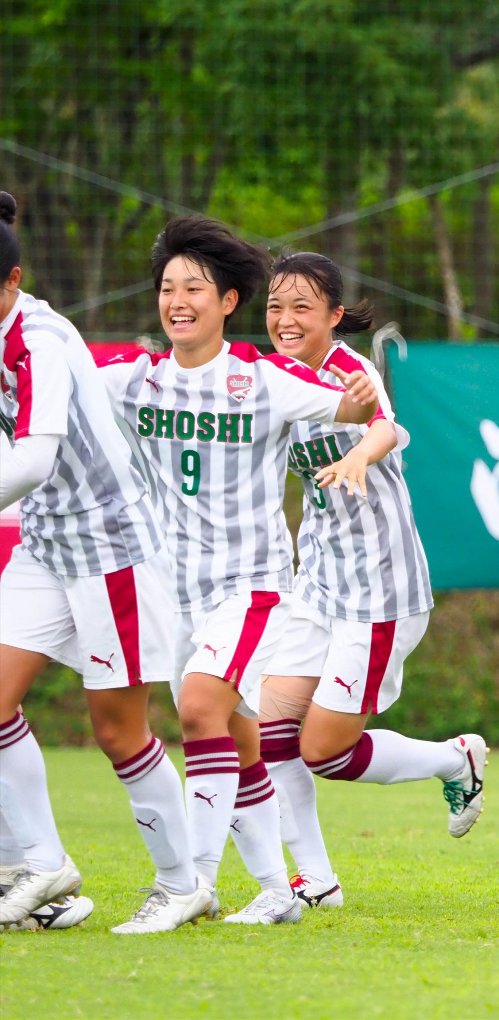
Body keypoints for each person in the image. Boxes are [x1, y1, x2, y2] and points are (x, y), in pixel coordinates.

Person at [99, 216, 381, 925]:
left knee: (198, 710)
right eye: (168, 288)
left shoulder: (264, 378)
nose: (178, 300)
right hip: (175, 592)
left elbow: (365, 414)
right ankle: (280, 892)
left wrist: (357, 412)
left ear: (228, 301)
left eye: (195, 286)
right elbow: (61, 386)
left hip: (251, 587)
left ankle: (188, 883)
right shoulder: (135, 381)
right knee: (241, 743)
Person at [252, 253, 483, 911]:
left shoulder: (349, 371)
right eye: (275, 305)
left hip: (380, 589)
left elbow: (383, 425)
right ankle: (317, 881)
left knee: (323, 750)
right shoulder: (273, 378)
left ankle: (453, 759)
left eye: (302, 306)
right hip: (319, 583)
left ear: (332, 314)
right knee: (272, 727)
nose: (285, 319)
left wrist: (358, 453)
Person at [0, 191, 199, 934]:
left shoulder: (40, 343)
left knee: (118, 732)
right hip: (48, 545)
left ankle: (182, 884)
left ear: (14, 282)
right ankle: (40, 871)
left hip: (111, 550)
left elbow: (34, 456)